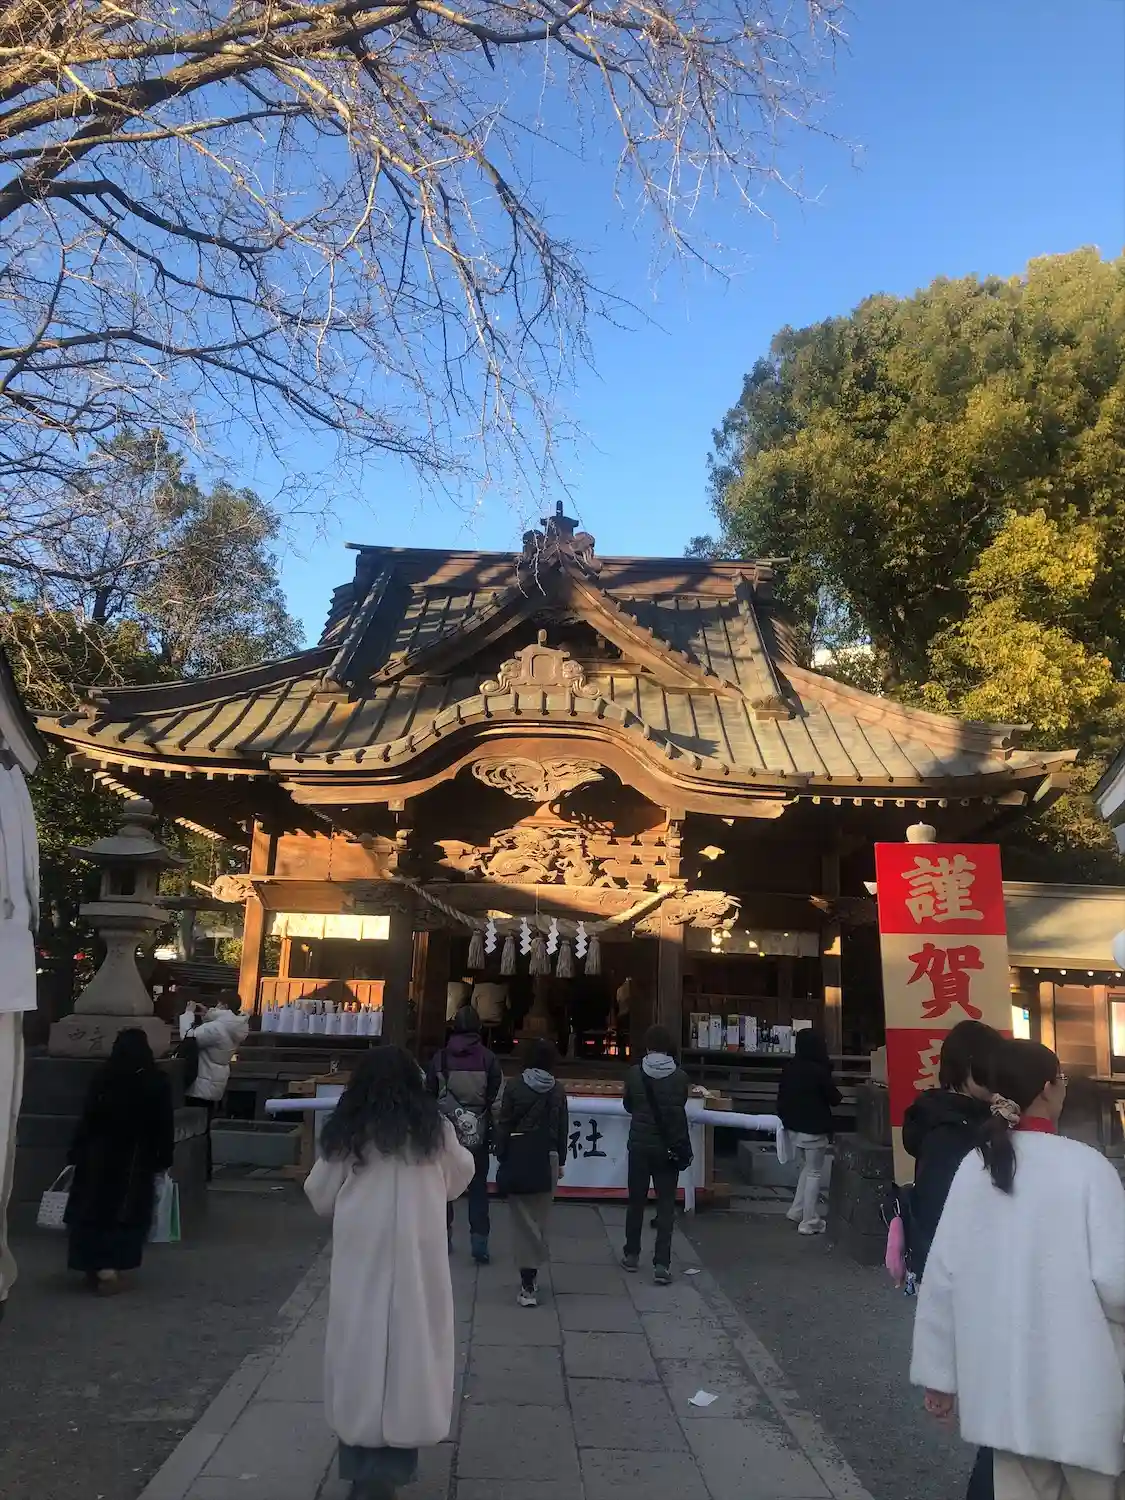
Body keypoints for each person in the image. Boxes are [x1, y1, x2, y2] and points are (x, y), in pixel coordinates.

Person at [912, 1039, 1125, 1500]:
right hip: (1083, 1386)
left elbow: (943, 1276)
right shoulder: (1087, 1167)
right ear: (1048, 1088)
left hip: (1006, 1393)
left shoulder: (976, 1166)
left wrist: (939, 1375)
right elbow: (1117, 1284)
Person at [306, 1046, 475, 1500]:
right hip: (418, 1255)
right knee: (412, 1349)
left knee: (358, 1348)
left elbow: (320, 1194)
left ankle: (362, 1469)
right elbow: (459, 1178)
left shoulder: (350, 1129)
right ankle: (394, 1467)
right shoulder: (434, 1129)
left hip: (363, 1255)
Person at [65, 1028, 175, 1295]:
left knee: (92, 1212)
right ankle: (110, 1268)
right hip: (135, 1160)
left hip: (96, 1157)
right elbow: (163, 1124)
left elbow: (88, 1117)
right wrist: (163, 1157)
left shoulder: (103, 1076)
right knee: (124, 1214)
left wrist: (76, 1151)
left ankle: (92, 1264)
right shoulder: (155, 1080)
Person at [902, 1018, 1002, 1278]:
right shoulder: (950, 1131)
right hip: (958, 1271)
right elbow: (938, 1212)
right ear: (968, 1067)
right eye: (991, 1066)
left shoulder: (956, 1117)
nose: (998, 1077)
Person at [494, 1037, 569, 1307]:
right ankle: (534, 1270)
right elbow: (562, 1128)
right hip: (548, 1157)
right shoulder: (557, 1090)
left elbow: (504, 1123)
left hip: (519, 1155)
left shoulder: (514, 1086)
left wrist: (501, 1154)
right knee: (540, 1219)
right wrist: (561, 1161)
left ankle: (528, 1283)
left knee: (522, 1222)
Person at [426, 1005, 503, 1263]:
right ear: (479, 1028)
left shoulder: (440, 1059)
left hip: (445, 1132)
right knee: (478, 1187)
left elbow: (429, 1096)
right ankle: (479, 1244)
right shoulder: (489, 1059)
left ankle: (443, 1239)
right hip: (477, 1133)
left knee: (444, 1187)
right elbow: (496, 1102)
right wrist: (495, 1131)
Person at [621, 1024, 691, 1284]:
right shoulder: (680, 1077)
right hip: (667, 1148)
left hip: (639, 1146)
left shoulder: (634, 1073)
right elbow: (680, 1105)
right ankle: (662, 1263)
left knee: (636, 1201)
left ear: (648, 1046)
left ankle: (631, 1254)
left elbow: (628, 1105)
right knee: (666, 1205)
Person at [777, 1027, 841, 1236]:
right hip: (814, 1129)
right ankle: (809, 1220)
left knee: (807, 1167)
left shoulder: (790, 1067)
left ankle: (797, 1210)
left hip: (793, 1127)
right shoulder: (818, 1070)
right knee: (814, 1172)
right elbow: (835, 1098)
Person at [184, 998, 250, 1180]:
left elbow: (189, 1038)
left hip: (202, 1081)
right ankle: (204, 1171)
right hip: (215, 1080)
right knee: (205, 1129)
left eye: (218, 1004)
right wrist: (208, 1014)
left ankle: (199, 1171)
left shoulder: (217, 1028)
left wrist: (188, 1014)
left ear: (225, 1006)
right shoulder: (233, 1026)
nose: (215, 1007)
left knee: (196, 1130)